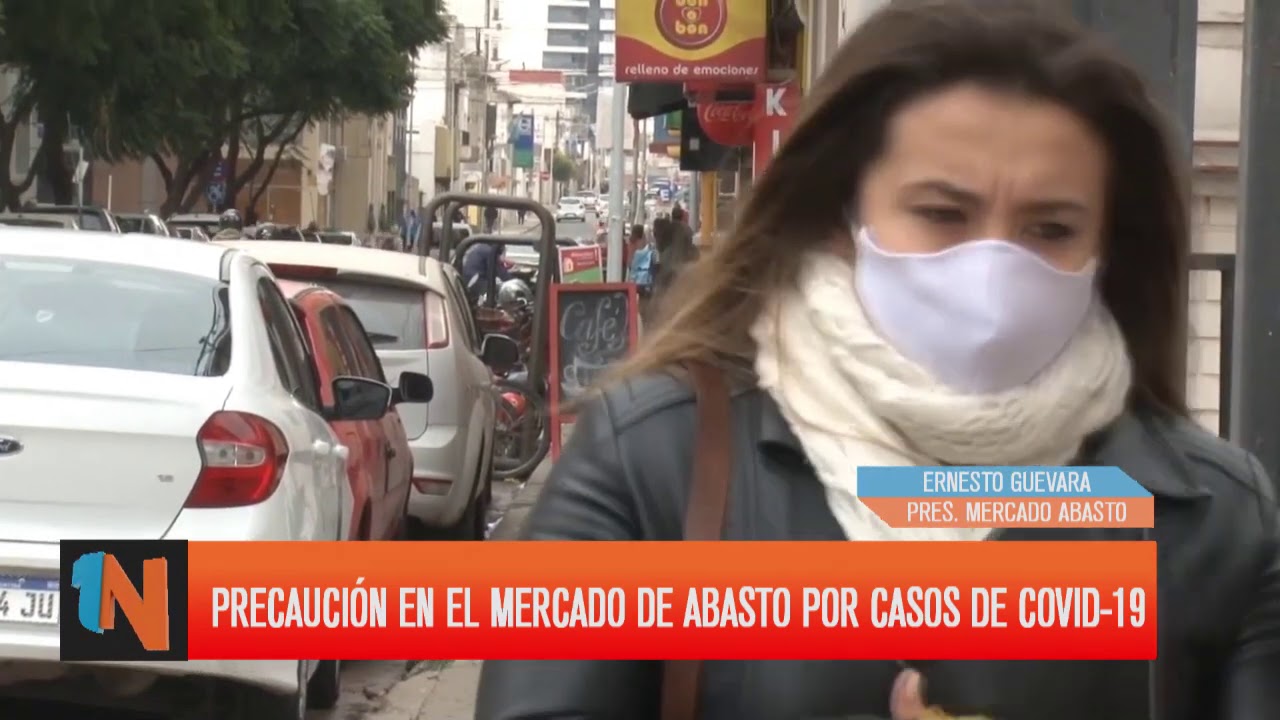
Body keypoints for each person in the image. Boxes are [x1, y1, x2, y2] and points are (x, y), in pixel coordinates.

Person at [475, 1, 1280, 719]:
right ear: (838, 216)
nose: (993, 270)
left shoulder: (1215, 520)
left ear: (1107, 247)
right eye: (942, 213)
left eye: (1050, 229)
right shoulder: (654, 462)